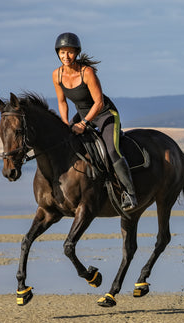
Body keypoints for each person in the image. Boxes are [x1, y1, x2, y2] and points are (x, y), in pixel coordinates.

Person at [52, 32, 137, 211]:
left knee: (112, 150)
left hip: (105, 114)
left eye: (70, 52)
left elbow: (98, 103)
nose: (66, 56)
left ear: (76, 53)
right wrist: (65, 123)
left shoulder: (87, 72)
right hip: (82, 115)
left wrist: (83, 124)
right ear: (57, 53)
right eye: (62, 52)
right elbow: (62, 102)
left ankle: (130, 193)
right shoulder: (57, 75)